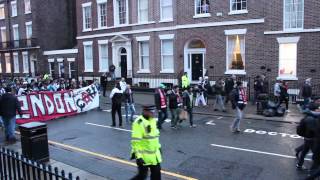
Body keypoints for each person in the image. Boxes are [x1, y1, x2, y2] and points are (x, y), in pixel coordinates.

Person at [130, 105, 162, 180]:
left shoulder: (152, 120)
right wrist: (139, 156)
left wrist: (159, 147)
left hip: (154, 156)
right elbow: (136, 142)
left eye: (153, 112)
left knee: (157, 176)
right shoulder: (139, 123)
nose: (153, 114)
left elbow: (154, 137)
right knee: (142, 176)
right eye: (151, 112)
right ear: (145, 111)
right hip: (143, 157)